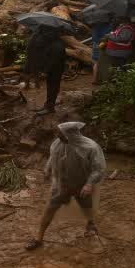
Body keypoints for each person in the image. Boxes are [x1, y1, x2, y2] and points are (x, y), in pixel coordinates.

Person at [26, 120, 106, 250]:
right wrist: (48, 169)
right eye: (58, 134)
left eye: (61, 134)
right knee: (50, 209)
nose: (58, 136)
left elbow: (99, 169)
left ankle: (90, 223)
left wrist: (89, 184)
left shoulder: (90, 147)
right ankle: (38, 238)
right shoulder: (58, 143)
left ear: (71, 134)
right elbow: (53, 157)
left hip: (82, 184)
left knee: (86, 206)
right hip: (62, 185)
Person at [25, 24, 68, 115]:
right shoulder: (52, 40)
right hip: (52, 67)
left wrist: (45, 71)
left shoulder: (57, 45)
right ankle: (48, 105)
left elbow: (54, 60)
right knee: (51, 86)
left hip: (56, 68)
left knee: (53, 87)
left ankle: (50, 107)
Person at [100, 15, 135, 80]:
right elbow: (117, 35)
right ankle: (117, 81)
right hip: (116, 52)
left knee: (119, 68)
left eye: (119, 18)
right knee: (116, 67)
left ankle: (119, 82)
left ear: (125, 20)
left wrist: (109, 36)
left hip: (120, 52)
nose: (118, 20)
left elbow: (122, 39)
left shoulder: (127, 29)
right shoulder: (122, 27)